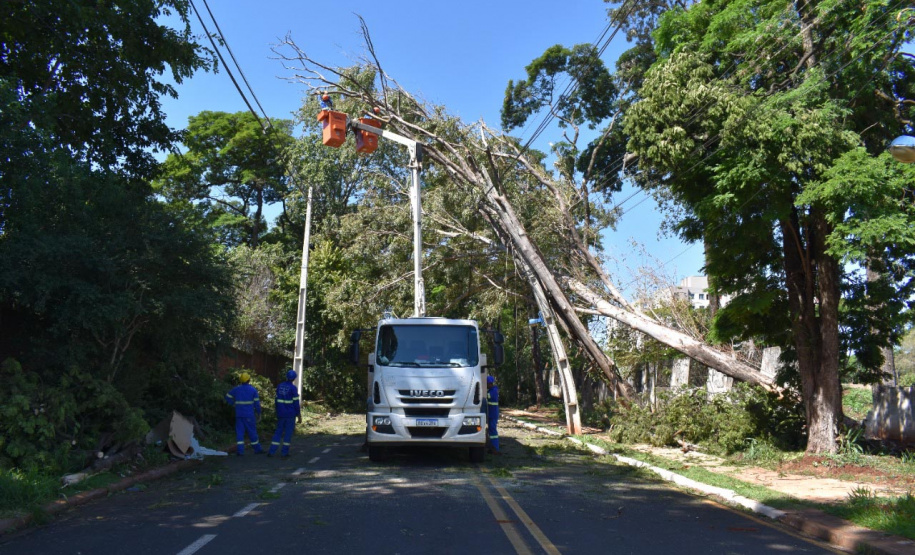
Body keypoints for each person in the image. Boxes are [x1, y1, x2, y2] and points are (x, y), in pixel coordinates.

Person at [225, 372, 264, 456]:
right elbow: (257, 404)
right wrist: (259, 413)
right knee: (252, 432)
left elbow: (227, 396)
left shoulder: (236, 389)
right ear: (249, 380)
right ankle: (257, 449)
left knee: (239, 433)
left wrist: (233, 403)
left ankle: (240, 451)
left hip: (239, 414)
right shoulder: (253, 390)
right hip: (249, 415)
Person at [268, 369, 302, 458]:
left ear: (286, 377)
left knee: (278, 432)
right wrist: (299, 415)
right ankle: (284, 453)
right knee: (288, 433)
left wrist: (277, 411)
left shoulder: (279, 386)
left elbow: (276, 400)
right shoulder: (293, 388)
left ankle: (271, 451)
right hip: (290, 414)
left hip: (281, 413)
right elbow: (296, 403)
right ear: (294, 378)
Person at [486, 374, 500, 454]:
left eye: (487, 384)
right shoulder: (492, 390)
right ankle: (493, 447)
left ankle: (495, 448)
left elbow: (488, 398)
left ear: (490, 383)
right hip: (492, 413)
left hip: (493, 413)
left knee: (493, 431)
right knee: (491, 430)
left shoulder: (493, 391)